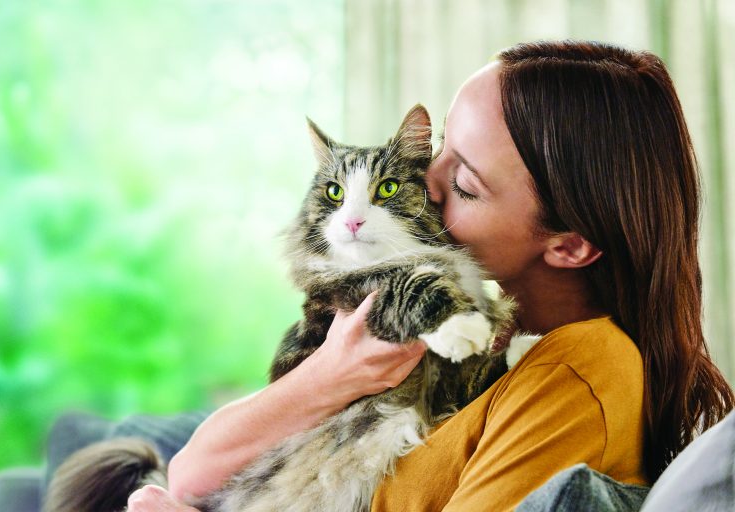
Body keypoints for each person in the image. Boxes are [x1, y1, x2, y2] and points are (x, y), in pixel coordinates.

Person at [126, 40, 734, 511]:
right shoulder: (460, 325)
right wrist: (330, 374)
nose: (423, 186)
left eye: (465, 185)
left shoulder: (582, 369)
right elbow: (190, 471)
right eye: (436, 149)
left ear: (569, 246)